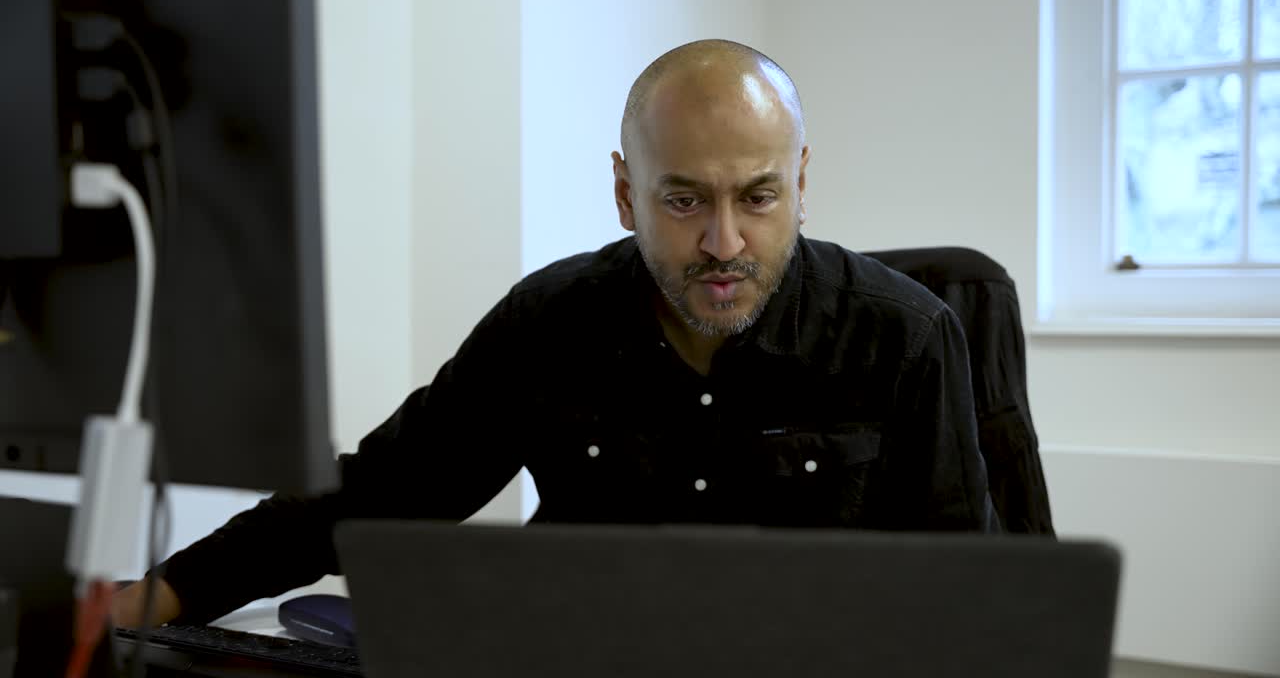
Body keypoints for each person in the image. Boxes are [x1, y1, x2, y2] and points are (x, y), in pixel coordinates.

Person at [113, 39, 998, 628]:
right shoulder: (549, 323)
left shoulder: (906, 334)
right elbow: (376, 495)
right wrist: (164, 594)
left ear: (801, 184)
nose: (723, 243)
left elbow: (971, 604)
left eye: (758, 197)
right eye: (683, 199)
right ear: (624, 194)